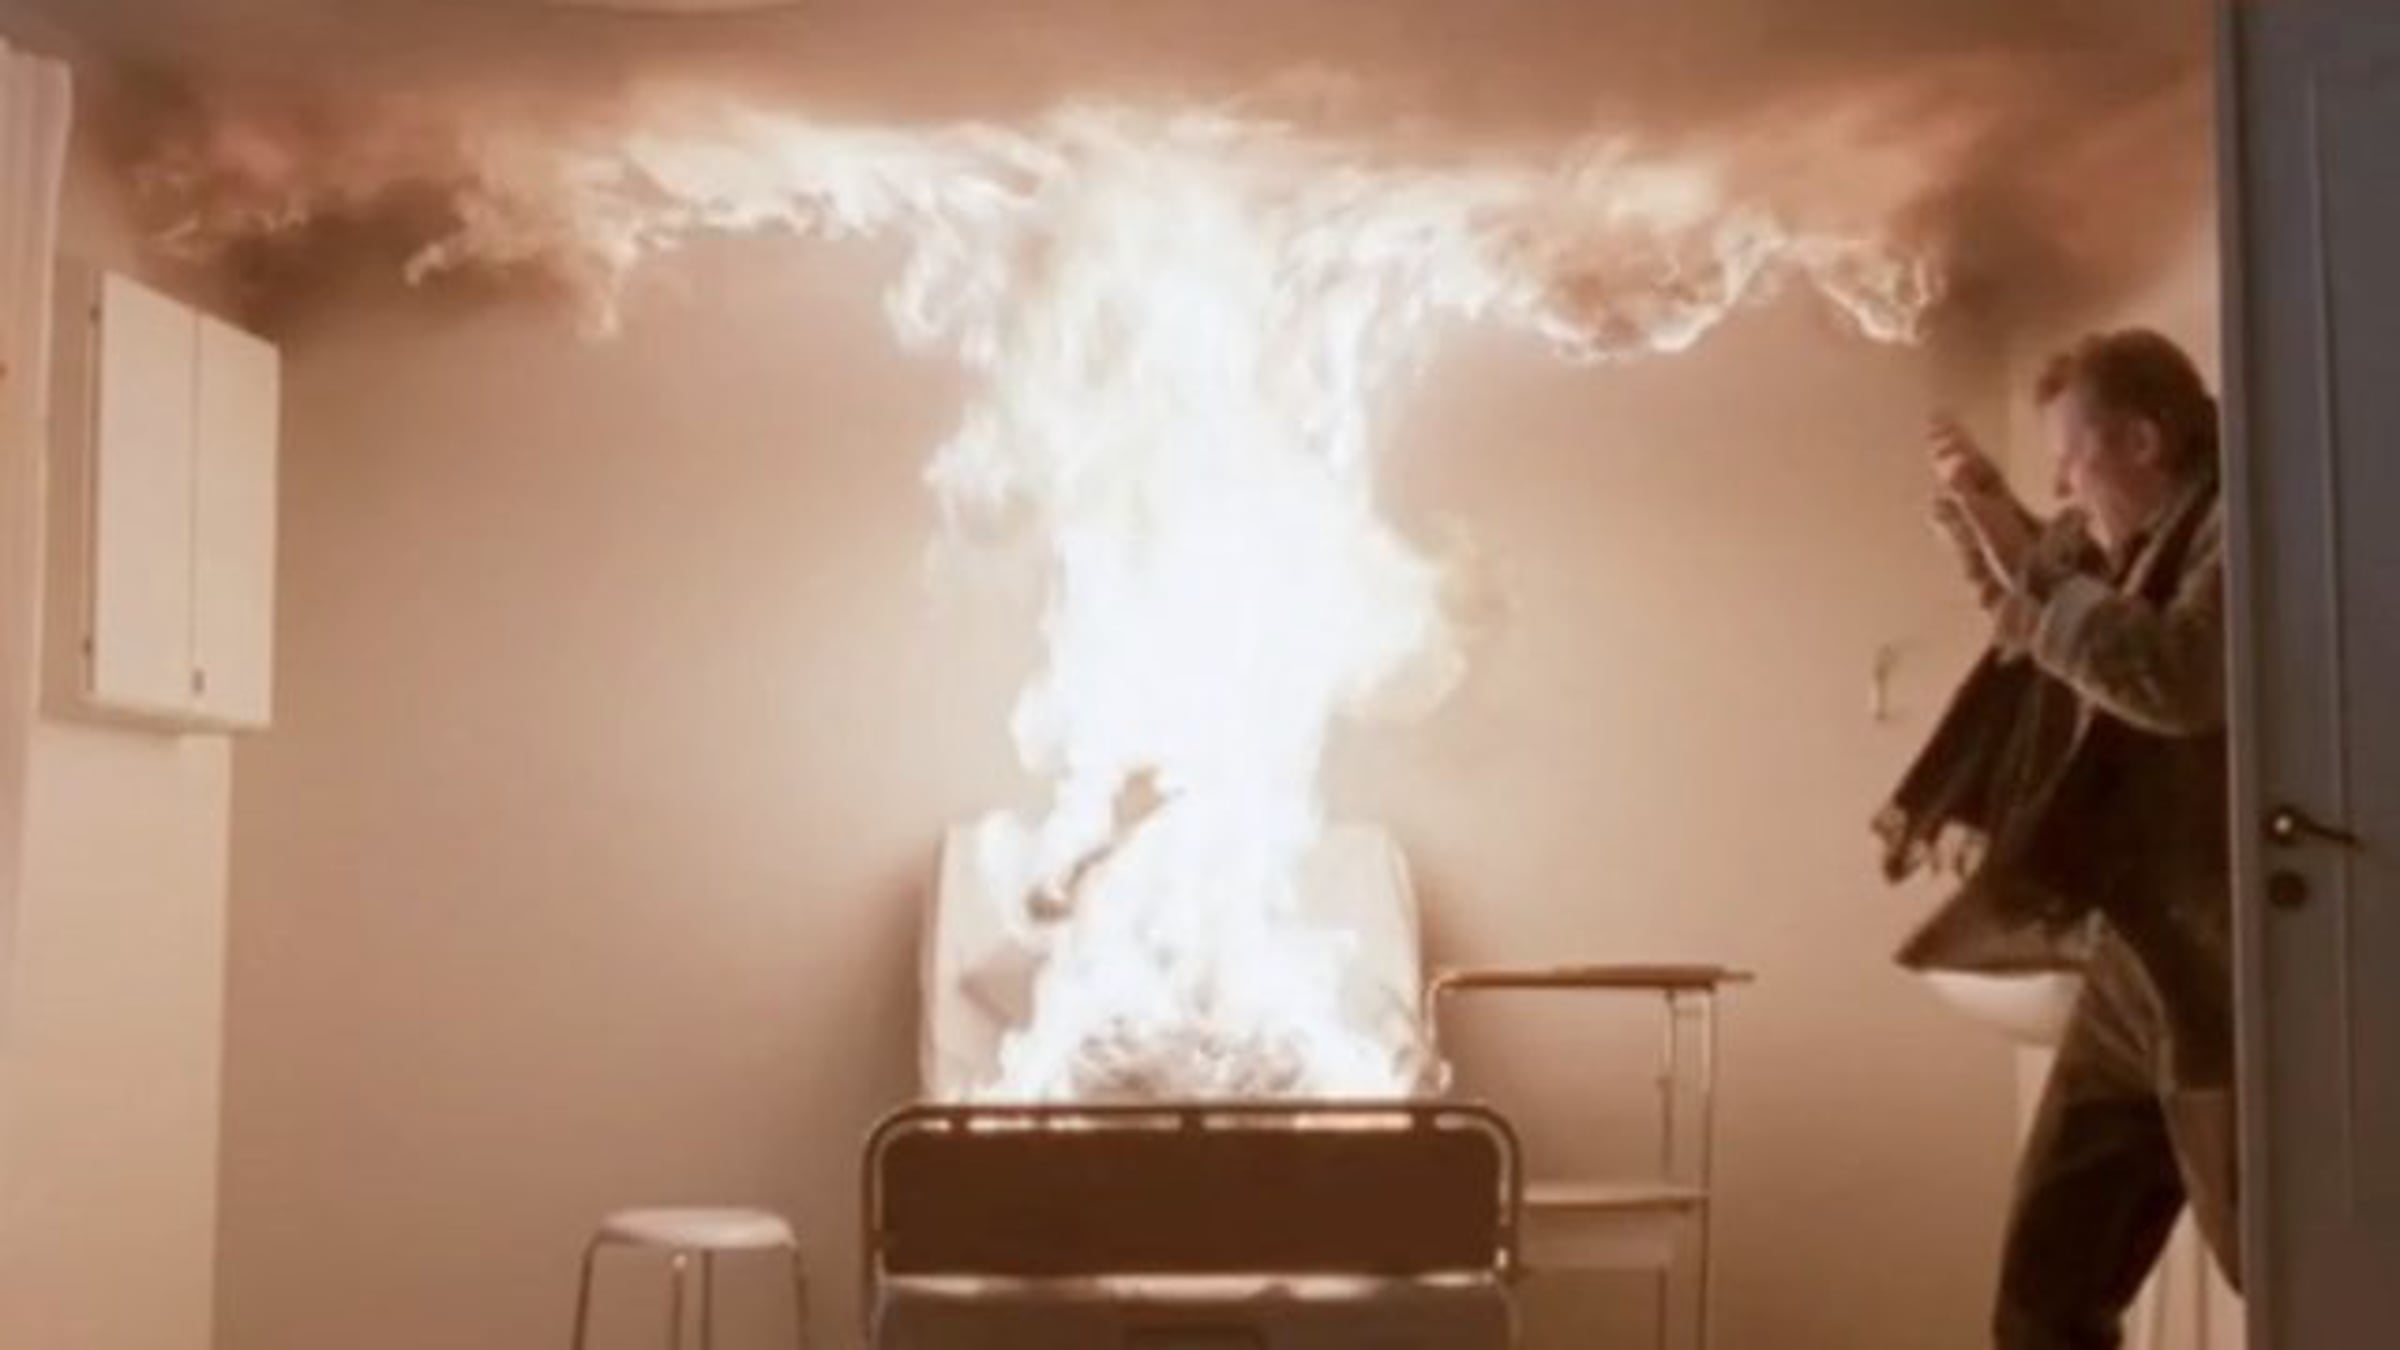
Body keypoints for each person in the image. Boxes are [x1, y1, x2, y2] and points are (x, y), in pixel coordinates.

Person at [1878, 328, 2238, 1349]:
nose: (2062, 491)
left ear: (2142, 440)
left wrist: (2013, 545)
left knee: (2294, 1259)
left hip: (2220, 971)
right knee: (2043, 1297)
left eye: (2071, 461)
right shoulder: (2147, 537)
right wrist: (1985, 523)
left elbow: (2173, 676)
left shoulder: (2242, 525)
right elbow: (2054, 619)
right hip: (2135, 964)